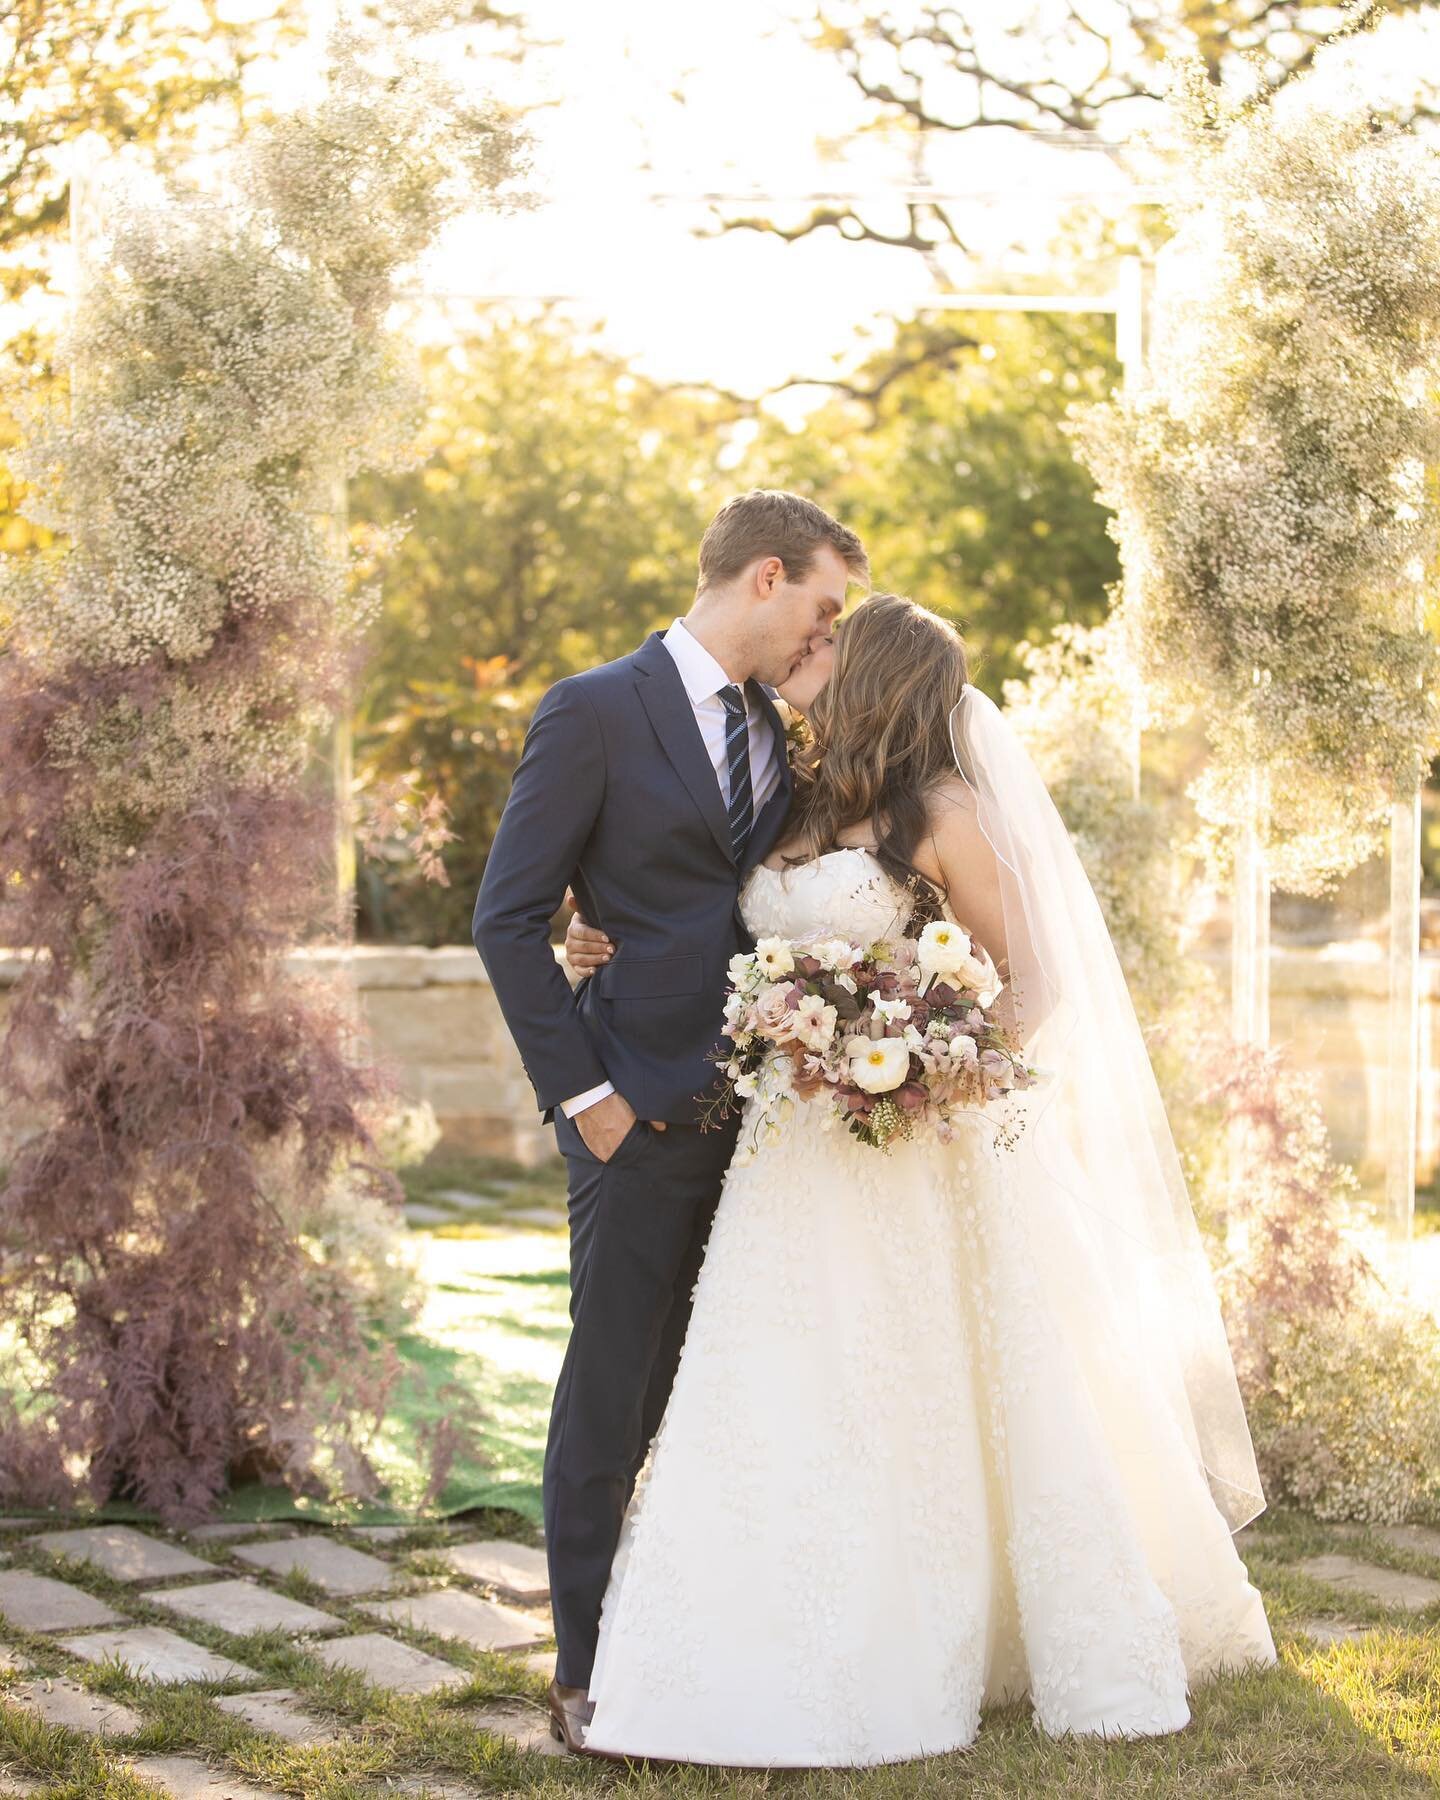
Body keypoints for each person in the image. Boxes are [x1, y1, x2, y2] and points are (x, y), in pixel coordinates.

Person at [561, 593, 1277, 1767]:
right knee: (779, 1380)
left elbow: (1034, 980)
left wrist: (930, 1069)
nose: (808, 644)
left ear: (875, 673)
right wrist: (587, 938)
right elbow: (700, 921)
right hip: (786, 1157)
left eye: (831, 637)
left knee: (911, 1387)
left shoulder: (944, 813)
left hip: (906, 1153)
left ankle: (928, 1625)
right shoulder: (792, 796)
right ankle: (749, 1631)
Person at [471, 488, 870, 1753]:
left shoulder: (779, 726)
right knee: (614, 1392)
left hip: (769, 1124)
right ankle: (585, 1666)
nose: (826, 631)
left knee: (729, 1390)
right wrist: (585, 1099)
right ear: (764, 576)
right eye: (821, 603)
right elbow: (508, 917)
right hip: (635, 1113)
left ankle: (713, 1636)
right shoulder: (593, 709)